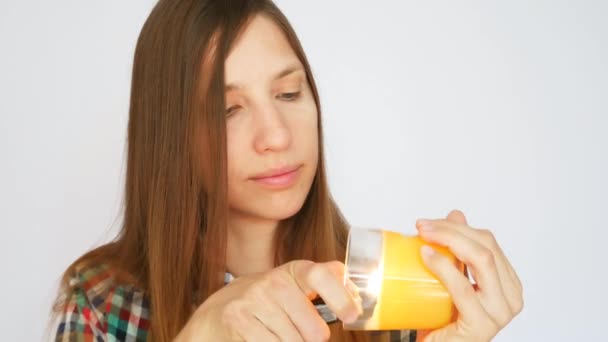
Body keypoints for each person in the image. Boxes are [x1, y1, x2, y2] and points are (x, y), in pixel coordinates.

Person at [51, 0, 523, 341]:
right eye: (226, 110)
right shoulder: (102, 300)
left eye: (289, 94)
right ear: (171, 138)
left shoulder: (394, 299)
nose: (276, 135)